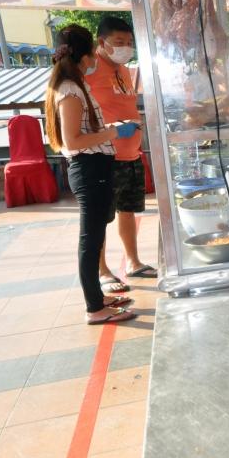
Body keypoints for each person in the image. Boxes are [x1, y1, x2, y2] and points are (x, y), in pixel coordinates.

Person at [44, 24, 139, 325]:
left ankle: (98, 299)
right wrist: (113, 131)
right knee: (91, 240)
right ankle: (94, 308)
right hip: (88, 168)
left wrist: (112, 129)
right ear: (86, 55)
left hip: (96, 167)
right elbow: (72, 141)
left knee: (94, 236)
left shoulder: (74, 86)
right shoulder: (70, 91)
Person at [87, 16, 155, 293]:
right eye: (118, 43)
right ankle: (102, 271)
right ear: (100, 43)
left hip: (130, 153)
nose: (125, 48)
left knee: (129, 209)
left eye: (129, 43)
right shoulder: (89, 67)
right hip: (104, 154)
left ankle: (133, 261)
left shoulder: (125, 71)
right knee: (101, 216)